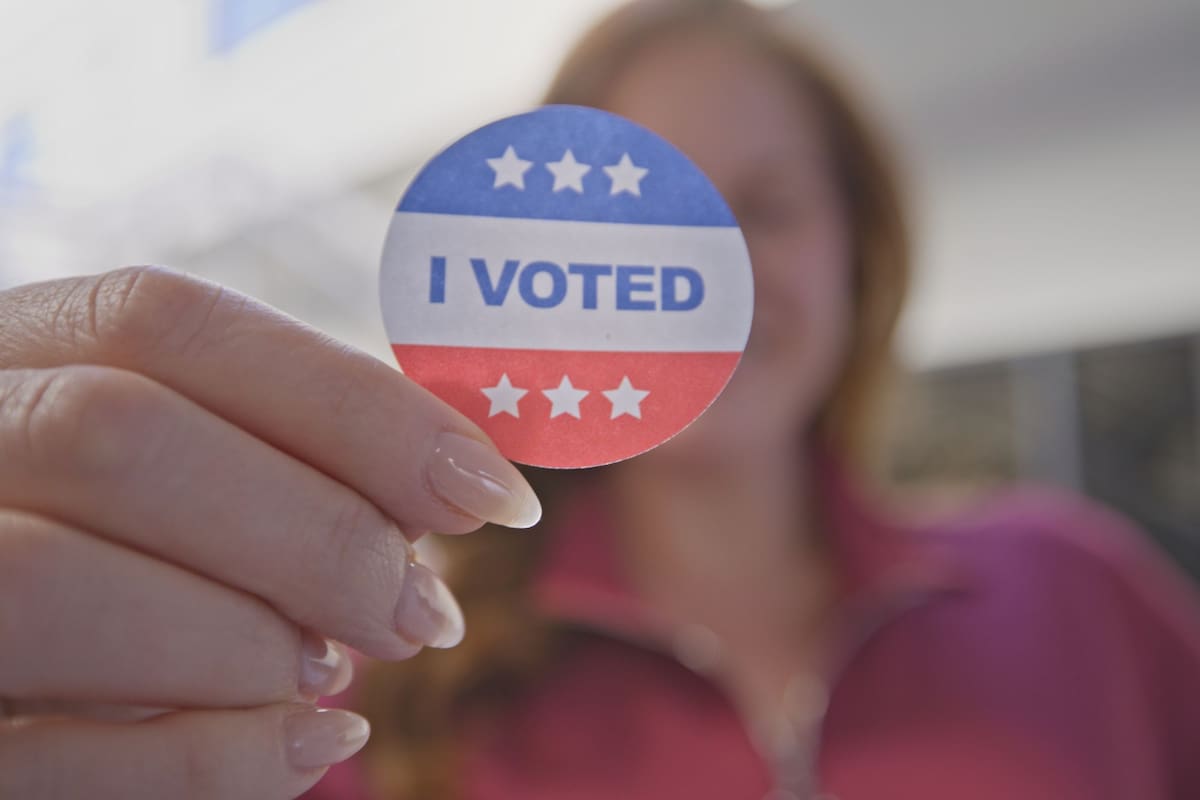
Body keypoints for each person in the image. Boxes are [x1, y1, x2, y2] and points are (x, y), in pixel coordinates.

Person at [0, 2, 1196, 800]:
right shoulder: (366, 677)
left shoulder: (1082, 591)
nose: (707, 267)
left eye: (766, 205)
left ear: (856, 255)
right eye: (642, 215)